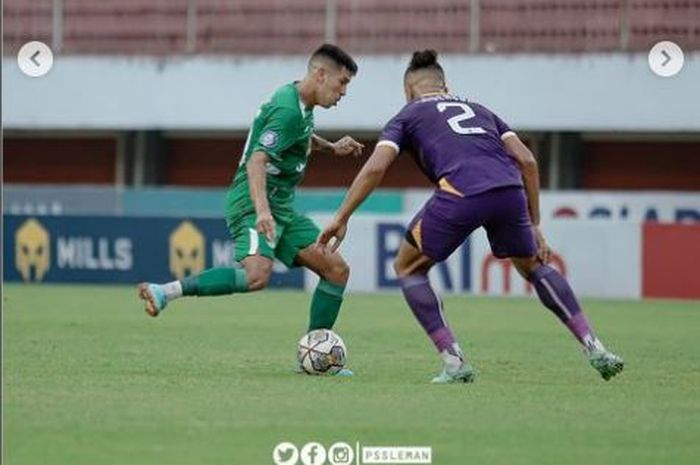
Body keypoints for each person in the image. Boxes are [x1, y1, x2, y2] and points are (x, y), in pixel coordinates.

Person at [317, 50, 623, 383]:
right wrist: (534, 224)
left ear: (408, 91)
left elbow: (376, 166)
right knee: (535, 267)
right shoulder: (481, 111)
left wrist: (342, 216)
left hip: (461, 191)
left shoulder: (407, 116)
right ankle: (594, 346)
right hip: (509, 188)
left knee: (408, 267)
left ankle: (454, 361)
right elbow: (528, 162)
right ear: (445, 86)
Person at [139, 44, 363, 375]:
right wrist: (262, 211)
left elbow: (296, 134)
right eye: (342, 82)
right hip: (253, 202)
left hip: (282, 206)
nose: (344, 92)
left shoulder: (300, 105)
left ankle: (314, 357)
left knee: (336, 270)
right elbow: (258, 160)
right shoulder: (288, 109)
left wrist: (330, 147)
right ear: (320, 74)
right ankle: (165, 291)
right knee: (257, 276)